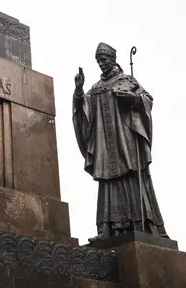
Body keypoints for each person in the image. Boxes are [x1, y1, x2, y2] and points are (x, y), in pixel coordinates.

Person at [72, 42, 168, 242]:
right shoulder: (96, 88)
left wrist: (133, 98)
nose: (101, 64)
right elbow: (84, 109)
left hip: (125, 139)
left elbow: (148, 99)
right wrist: (79, 91)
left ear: (113, 60)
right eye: (98, 61)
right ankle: (107, 230)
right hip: (106, 144)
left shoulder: (126, 79)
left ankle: (139, 224)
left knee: (131, 178)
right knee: (108, 182)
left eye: (104, 60)